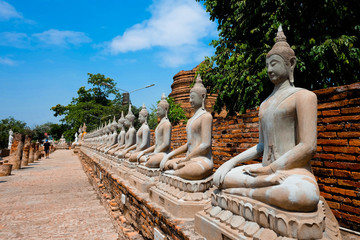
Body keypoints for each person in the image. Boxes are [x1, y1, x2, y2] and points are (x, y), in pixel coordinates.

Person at [213, 26, 319, 212]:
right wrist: (230, 162)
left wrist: (271, 170)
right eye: (267, 65)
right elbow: (261, 146)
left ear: (291, 64)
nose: (269, 69)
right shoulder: (265, 104)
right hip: (265, 172)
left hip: (292, 172)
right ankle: (258, 188)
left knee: (304, 196)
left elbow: (308, 146)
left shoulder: (304, 96)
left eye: (274, 63)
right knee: (220, 177)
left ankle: (241, 193)